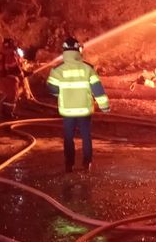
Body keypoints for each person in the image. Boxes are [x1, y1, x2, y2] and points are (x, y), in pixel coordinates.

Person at [46, 36, 110, 172]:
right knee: (86, 136)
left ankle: (69, 164)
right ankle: (87, 163)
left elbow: (51, 88)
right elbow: (97, 88)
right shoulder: (88, 68)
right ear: (78, 50)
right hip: (84, 109)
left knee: (68, 137)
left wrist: (61, 94)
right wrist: (104, 106)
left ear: (64, 51)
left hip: (67, 110)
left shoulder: (58, 70)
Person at [0, 37, 27, 118]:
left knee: (7, 96)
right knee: (12, 97)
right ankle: (9, 113)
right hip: (11, 78)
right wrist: (22, 74)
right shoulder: (10, 53)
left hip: (5, 78)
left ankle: (4, 111)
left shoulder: (3, 52)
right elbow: (13, 67)